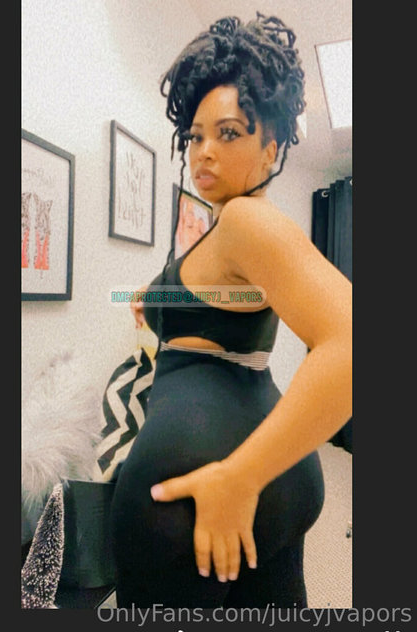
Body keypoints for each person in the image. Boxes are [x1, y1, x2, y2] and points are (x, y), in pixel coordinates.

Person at [110, 14, 352, 608]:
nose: (205, 153)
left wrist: (241, 477)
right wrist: (155, 297)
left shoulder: (245, 220)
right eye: (196, 137)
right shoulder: (222, 233)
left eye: (229, 133)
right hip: (276, 476)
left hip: (223, 492)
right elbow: (218, 303)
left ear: (272, 148)